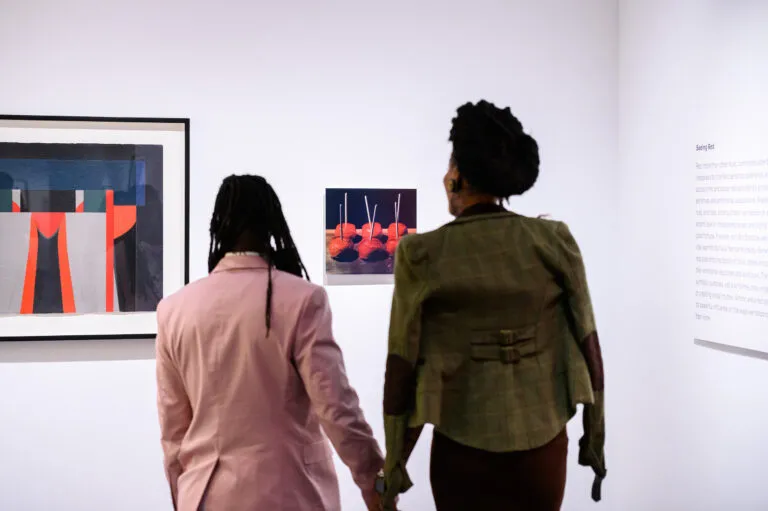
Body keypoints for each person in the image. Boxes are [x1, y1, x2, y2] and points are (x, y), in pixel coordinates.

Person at [379, 101, 606, 510]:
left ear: (459, 177)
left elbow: (402, 365)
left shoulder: (421, 254)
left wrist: (393, 464)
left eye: (450, 167)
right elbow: (588, 340)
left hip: (463, 453)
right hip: (542, 448)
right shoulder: (553, 240)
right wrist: (595, 437)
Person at [155, 175, 384, 511]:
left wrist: (184, 496)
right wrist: (375, 482)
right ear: (272, 227)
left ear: (217, 228)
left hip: (205, 496)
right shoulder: (303, 300)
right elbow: (336, 407)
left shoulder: (174, 310)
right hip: (289, 492)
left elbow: (173, 430)